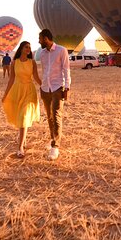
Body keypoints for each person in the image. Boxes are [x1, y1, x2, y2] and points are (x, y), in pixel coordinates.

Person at [2, 41, 41, 158]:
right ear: (21, 48)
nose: (28, 49)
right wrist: (5, 95)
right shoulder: (14, 63)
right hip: (17, 91)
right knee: (21, 117)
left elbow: (36, 78)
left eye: (30, 47)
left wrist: (47, 88)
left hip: (29, 91)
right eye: (26, 47)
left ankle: (20, 148)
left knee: (24, 116)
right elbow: (11, 80)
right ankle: (23, 140)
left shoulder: (32, 62)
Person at [38, 28, 70, 161]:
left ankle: (55, 147)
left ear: (46, 38)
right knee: (49, 116)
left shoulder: (61, 50)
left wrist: (67, 87)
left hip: (58, 87)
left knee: (56, 115)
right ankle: (52, 139)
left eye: (40, 38)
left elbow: (66, 69)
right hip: (45, 88)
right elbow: (44, 70)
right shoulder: (42, 53)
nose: (38, 41)